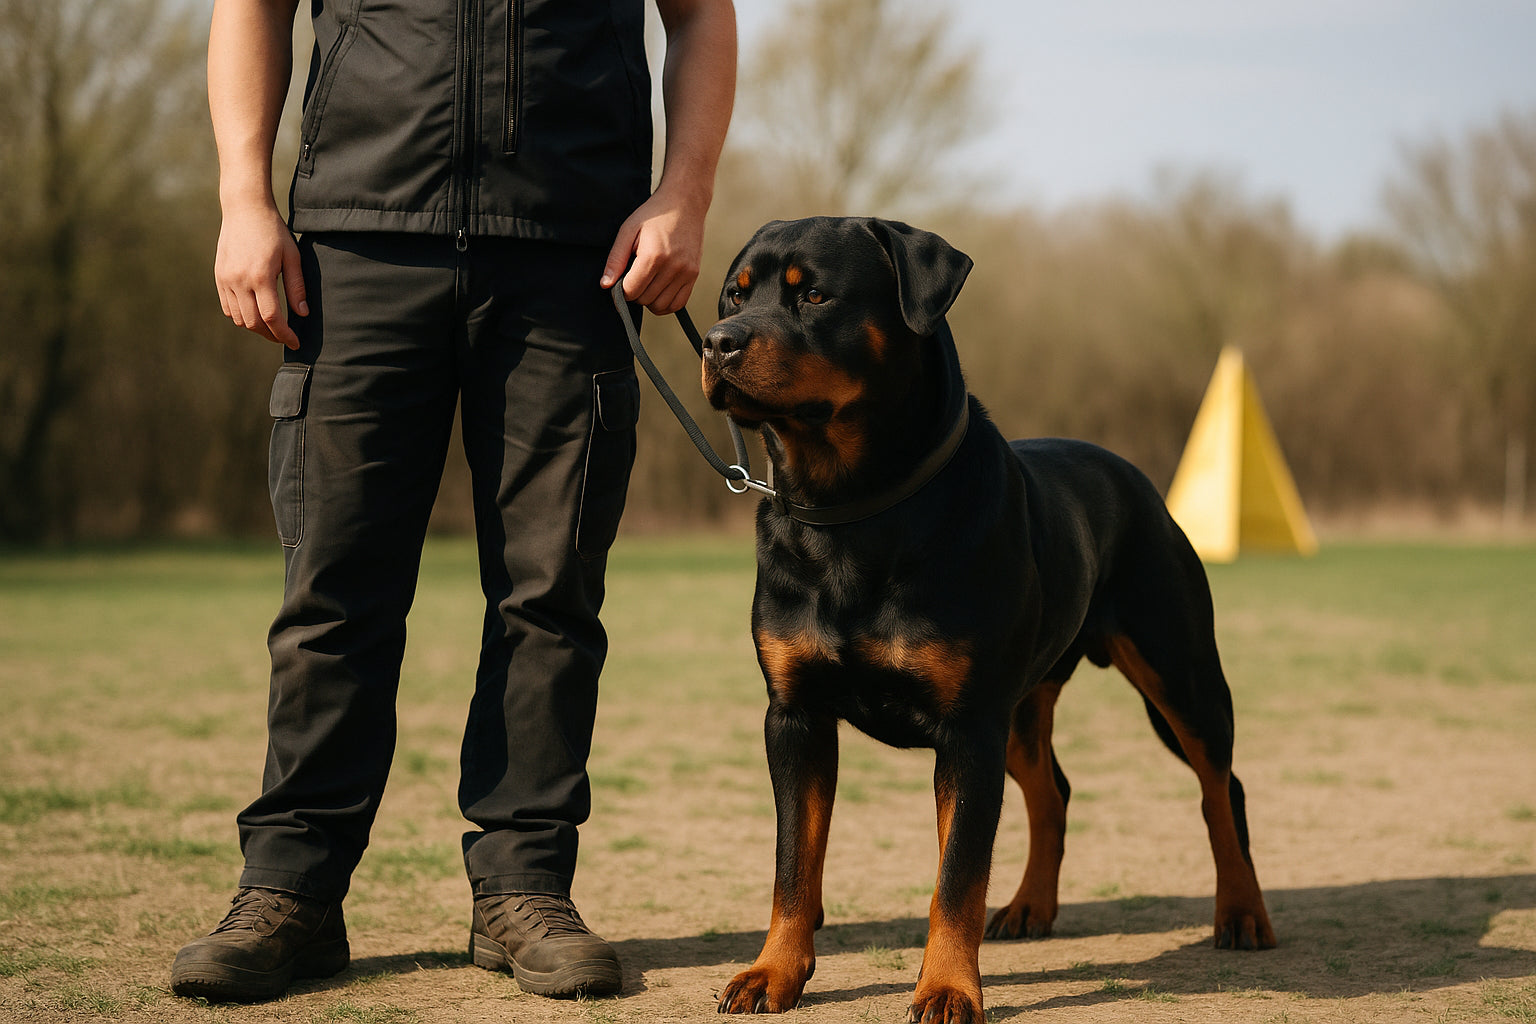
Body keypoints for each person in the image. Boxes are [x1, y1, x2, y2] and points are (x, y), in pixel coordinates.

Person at [170, 0, 735, 1004]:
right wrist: (242, 200)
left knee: (548, 596)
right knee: (332, 593)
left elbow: (702, 15)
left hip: (572, 255)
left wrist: (682, 197)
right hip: (355, 244)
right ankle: (291, 889)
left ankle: (524, 887)